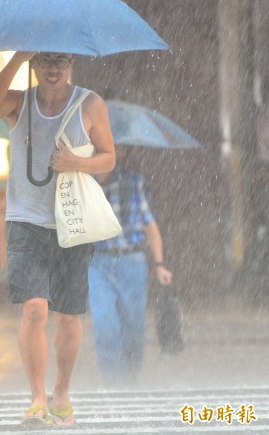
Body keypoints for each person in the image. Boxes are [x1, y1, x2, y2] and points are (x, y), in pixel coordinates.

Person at [0, 52, 115, 427]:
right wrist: (16, 58)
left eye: (61, 61)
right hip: (25, 220)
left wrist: (77, 163)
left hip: (71, 222)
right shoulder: (19, 101)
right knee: (35, 308)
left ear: (71, 63)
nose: (53, 69)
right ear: (35, 66)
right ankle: (37, 397)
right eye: (44, 61)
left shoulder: (89, 102)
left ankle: (62, 391)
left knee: (68, 316)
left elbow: (108, 158)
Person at [89, 149, 173, 388]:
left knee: (134, 325)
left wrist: (159, 264)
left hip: (131, 261)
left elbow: (150, 227)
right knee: (104, 323)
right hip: (97, 262)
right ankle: (113, 381)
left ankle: (130, 375)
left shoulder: (133, 182)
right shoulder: (84, 185)